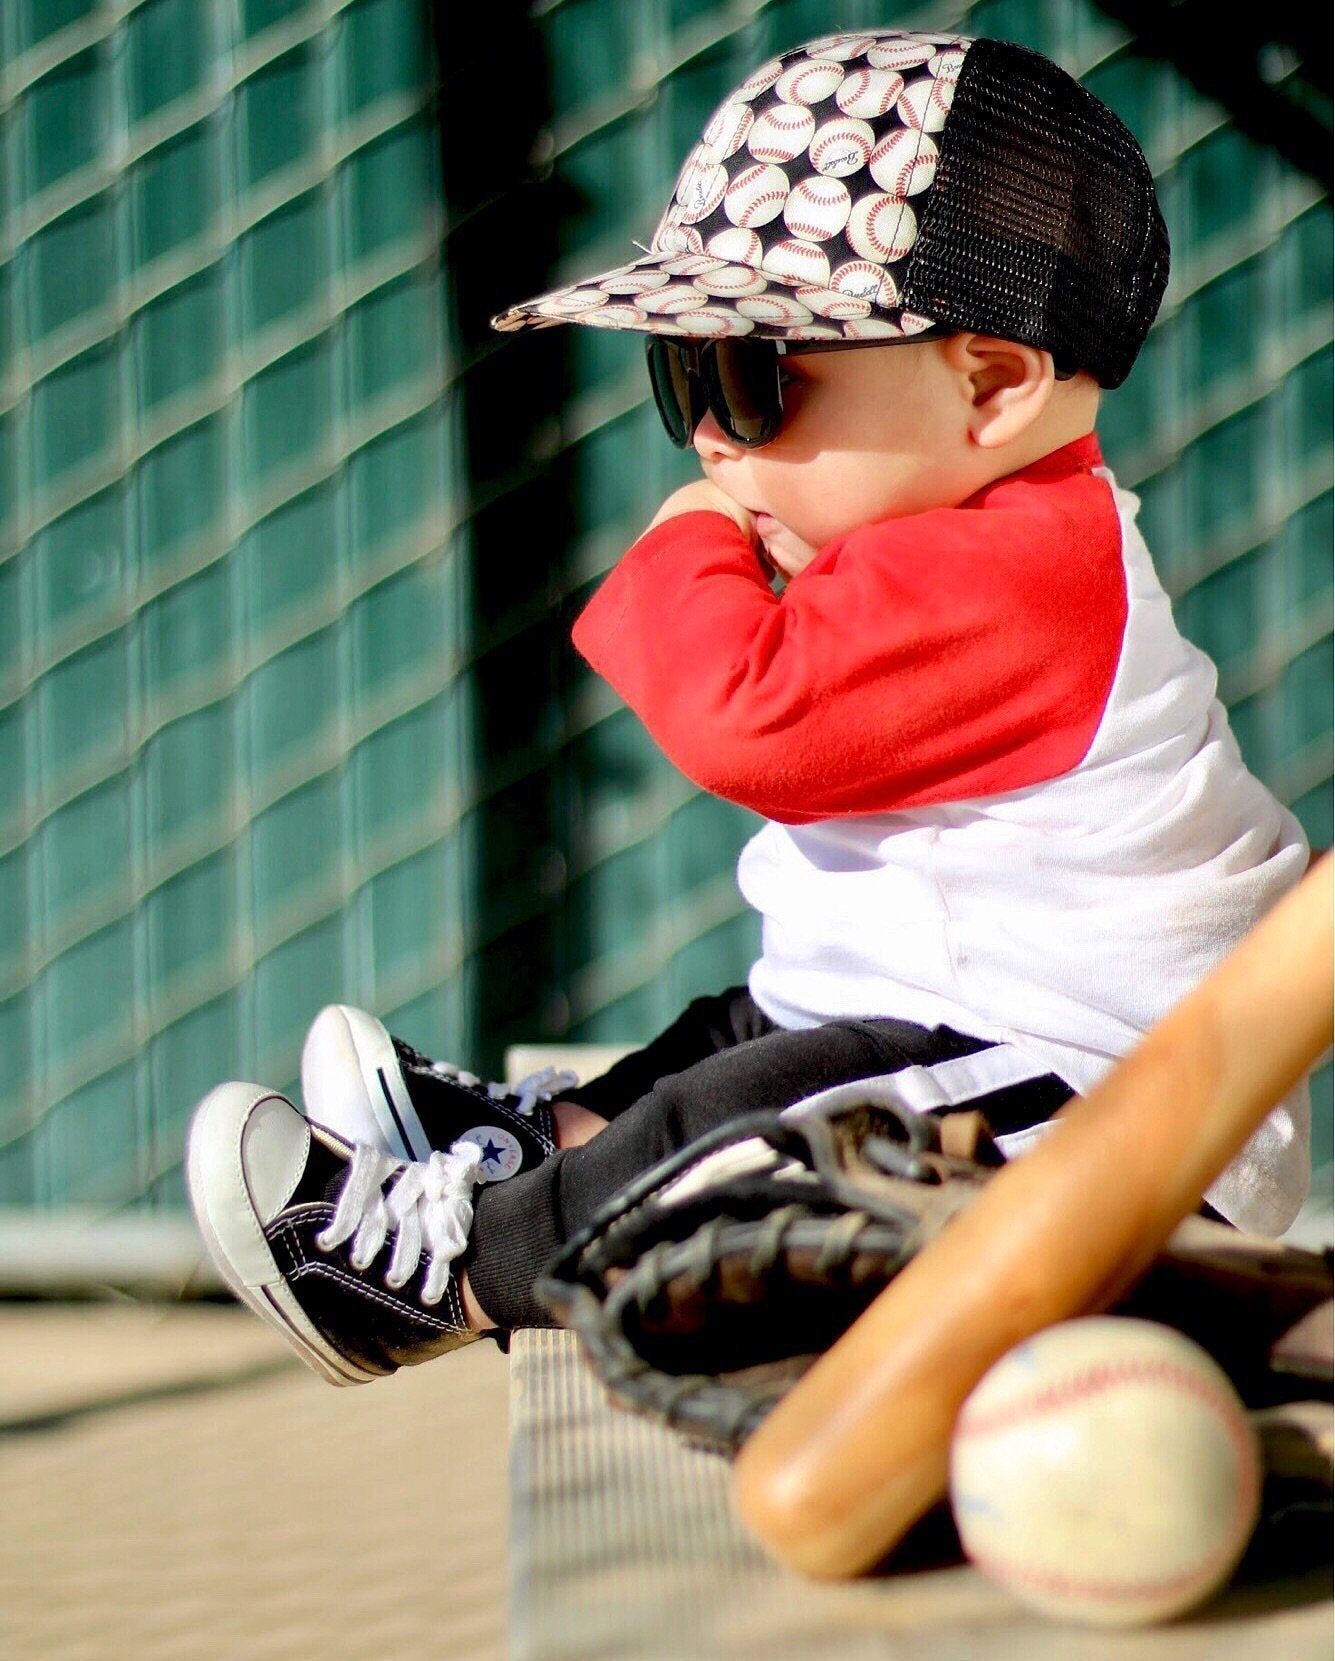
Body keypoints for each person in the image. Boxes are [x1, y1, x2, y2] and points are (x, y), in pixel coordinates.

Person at [184, 28, 1311, 1388]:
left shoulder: (1020, 566)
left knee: (744, 1127)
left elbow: (747, 716)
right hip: (964, 1023)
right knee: (741, 1033)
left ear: (997, 386)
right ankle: (543, 1148)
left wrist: (685, 535)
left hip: (1102, 1123)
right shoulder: (971, 523)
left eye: (754, 380)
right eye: (684, 379)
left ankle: (449, 1278)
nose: (713, 442)